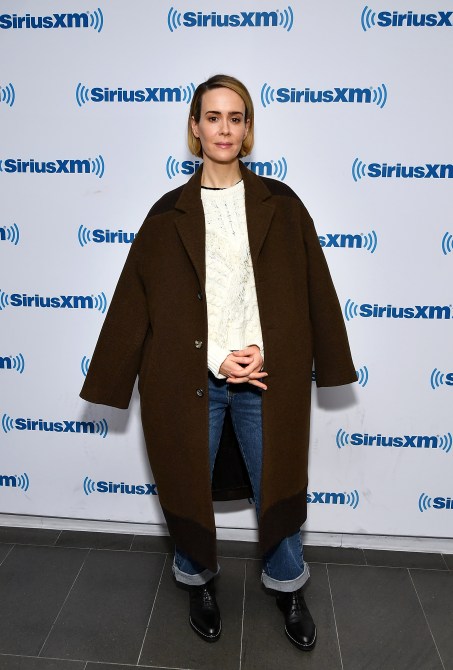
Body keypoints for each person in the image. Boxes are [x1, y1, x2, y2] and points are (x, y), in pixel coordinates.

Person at [80, 74, 357, 650]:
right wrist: (206, 361)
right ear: (195, 127)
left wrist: (271, 351)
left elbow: (311, 294)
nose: (224, 129)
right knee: (186, 484)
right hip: (190, 379)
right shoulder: (167, 214)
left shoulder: (283, 205)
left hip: (267, 377)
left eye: (235, 117)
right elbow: (141, 304)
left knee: (280, 485)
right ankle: (198, 582)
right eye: (212, 117)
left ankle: (288, 585)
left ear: (248, 129)